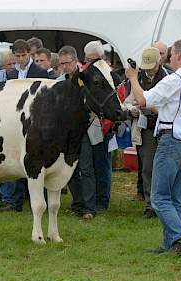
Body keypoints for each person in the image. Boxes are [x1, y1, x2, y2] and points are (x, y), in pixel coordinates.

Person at [126, 38, 181, 257]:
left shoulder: (175, 79)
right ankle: (170, 244)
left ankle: (179, 239)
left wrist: (132, 78)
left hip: (171, 139)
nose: (168, 57)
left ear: (178, 56)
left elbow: (142, 100)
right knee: (174, 196)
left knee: (158, 197)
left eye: (170, 53)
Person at [0, 39, 48, 212]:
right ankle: (13, 201)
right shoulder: (11, 74)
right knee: (14, 160)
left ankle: (39, 199)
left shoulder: (41, 73)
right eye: (17, 56)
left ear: (30, 53)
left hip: (35, 121)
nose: (20, 59)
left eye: (23, 55)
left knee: (35, 160)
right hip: (15, 122)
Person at [126, 47, 169, 218]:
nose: (148, 69)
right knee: (147, 167)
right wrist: (131, 109)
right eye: (146, 65)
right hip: (147, 128)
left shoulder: (168, 76)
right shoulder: (138, 77)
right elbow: (129, 99)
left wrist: (145, 106)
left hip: (164, 127)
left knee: (165, 167)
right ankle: (151, 205)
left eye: (152, 65)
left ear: (159, 61)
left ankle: (164, 203)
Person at [58, 45, 96, 219]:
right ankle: (77, 203)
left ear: (75, 61)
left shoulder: (88, 77)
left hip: (86, 128)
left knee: (86, 168)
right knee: (70, 169)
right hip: (67, 131)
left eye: (67, 63)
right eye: (61, 64)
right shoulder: (60, 81)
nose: (64, 67)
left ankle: (89, 207)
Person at [84, 40, 121, 212]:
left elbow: (117, 101)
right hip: (87, 125)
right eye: (88, 59)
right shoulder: (86, 74)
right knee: (89, 165)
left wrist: (108, 124)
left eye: (94, 59)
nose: (91, 63)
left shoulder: (111, 76)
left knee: (102, 164)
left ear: (101, 57)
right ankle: (91, 199)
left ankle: (102, 201)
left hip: (104, 126)